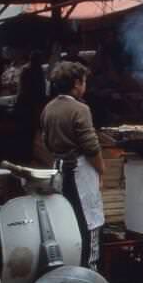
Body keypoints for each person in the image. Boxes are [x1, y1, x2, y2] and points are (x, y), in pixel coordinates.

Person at [41, 61, 106, 267]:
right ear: (77, 83)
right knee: (91, 222)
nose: (84, 86)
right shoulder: (80, 109)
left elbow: (45, 141)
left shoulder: (48, 108)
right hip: (80, 170)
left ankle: (69, 269)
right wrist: (101, 170)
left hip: (58, 170)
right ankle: (90, 275)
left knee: (67, 222)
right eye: (84, 81)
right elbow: (91, 146)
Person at [14, 49, 47, 163]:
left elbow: (21, 89)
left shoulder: (26, 69)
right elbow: (40, 90)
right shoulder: (36, 70)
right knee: (30, 132)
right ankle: (28, 154)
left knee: (24, 131)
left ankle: (24, 154)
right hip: (31, 104)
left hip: (24, 103)